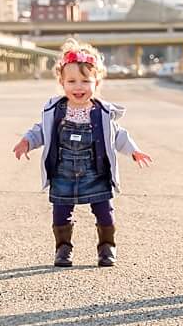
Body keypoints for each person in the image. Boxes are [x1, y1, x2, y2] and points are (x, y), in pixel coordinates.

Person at [13, 40, 151, 267]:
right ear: (61, 83)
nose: (79, 87)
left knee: (105, 212)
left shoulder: (102, 112)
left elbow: (119, 135)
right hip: (63, 172)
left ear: (97, 82)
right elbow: (41, 131)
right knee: (60, 213)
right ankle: (63, 248)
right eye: (72, 81)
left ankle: (107, 247)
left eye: (86, 81)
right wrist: (27, 141)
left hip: (96, 172)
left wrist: (134, 151)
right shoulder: (55, 110)